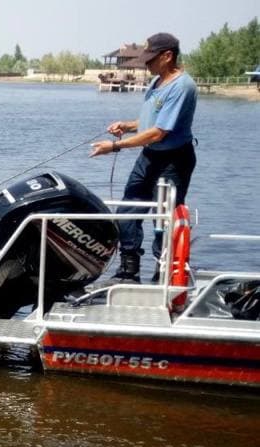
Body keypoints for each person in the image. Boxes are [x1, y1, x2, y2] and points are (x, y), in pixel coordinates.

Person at [90, 33, 197, 283]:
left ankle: (163, 272)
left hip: (174, 160)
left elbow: (159, 132)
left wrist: (115, 147)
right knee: (128, 209)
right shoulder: (157, 82)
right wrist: (127, 126)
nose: (146, 64)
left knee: (165, 216)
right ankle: (129, 269)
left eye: (151, 59)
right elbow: (151, 122)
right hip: (149, 156)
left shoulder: (183, 87)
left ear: (168, 56)